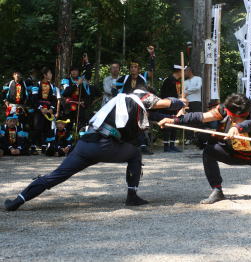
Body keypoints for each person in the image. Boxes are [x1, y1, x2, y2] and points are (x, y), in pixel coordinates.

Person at [3, 89, 185, 211]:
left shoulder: (122, 103)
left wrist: (173, 119)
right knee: (135, 153)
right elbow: (167, 104)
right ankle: (132, 196)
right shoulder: (136, 99)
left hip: (85, 144)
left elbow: (157, 115)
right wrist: (180, 102)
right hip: (105, 146)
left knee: (57, 175)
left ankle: (18, 200)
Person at [31, 67, 58, 152]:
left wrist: (51, 109)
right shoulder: (37, 84)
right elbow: (34, 98)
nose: (51, 75)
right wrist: (41, 108)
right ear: (45, 75)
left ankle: (44, 146)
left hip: (48, 109)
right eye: (50, 73)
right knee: (38, 127)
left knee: (47, 128)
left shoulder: (52, 86)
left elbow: (54, 99)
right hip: (39, 109)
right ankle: (33, 146)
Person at [159, 65, 183, 152]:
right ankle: (166, 146)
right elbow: (164, 94)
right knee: (168, 124)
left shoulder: (177, 81)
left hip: (175, 105)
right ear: (178, 71)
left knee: (175, 123)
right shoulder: (168, 80)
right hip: (167, 105)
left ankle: (172, 144)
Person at [61, 66, 92, 131]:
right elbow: (66, 93)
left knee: (81, 125)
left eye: (76, 70)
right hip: (68, 107)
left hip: (80, 107)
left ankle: (79, 138)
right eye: (72, 70)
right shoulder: (66, 80)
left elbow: (86, 95)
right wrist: (77, 84)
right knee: (68, 125)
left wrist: (85, 103)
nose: (74, 72)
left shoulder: (82, 81)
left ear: (78, 72)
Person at [184, 66, 202, 144]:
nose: (184, 73)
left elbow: (198, 88)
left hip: (196, 101)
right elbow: (184, 91)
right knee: (188, 119)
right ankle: (189, 138)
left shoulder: (198, 78)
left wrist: (188, 90)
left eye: (185, 71)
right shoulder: (185, 81)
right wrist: (189, 91)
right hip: (187, 101)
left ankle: (199, 138)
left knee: (197, 119)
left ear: (189, 71)